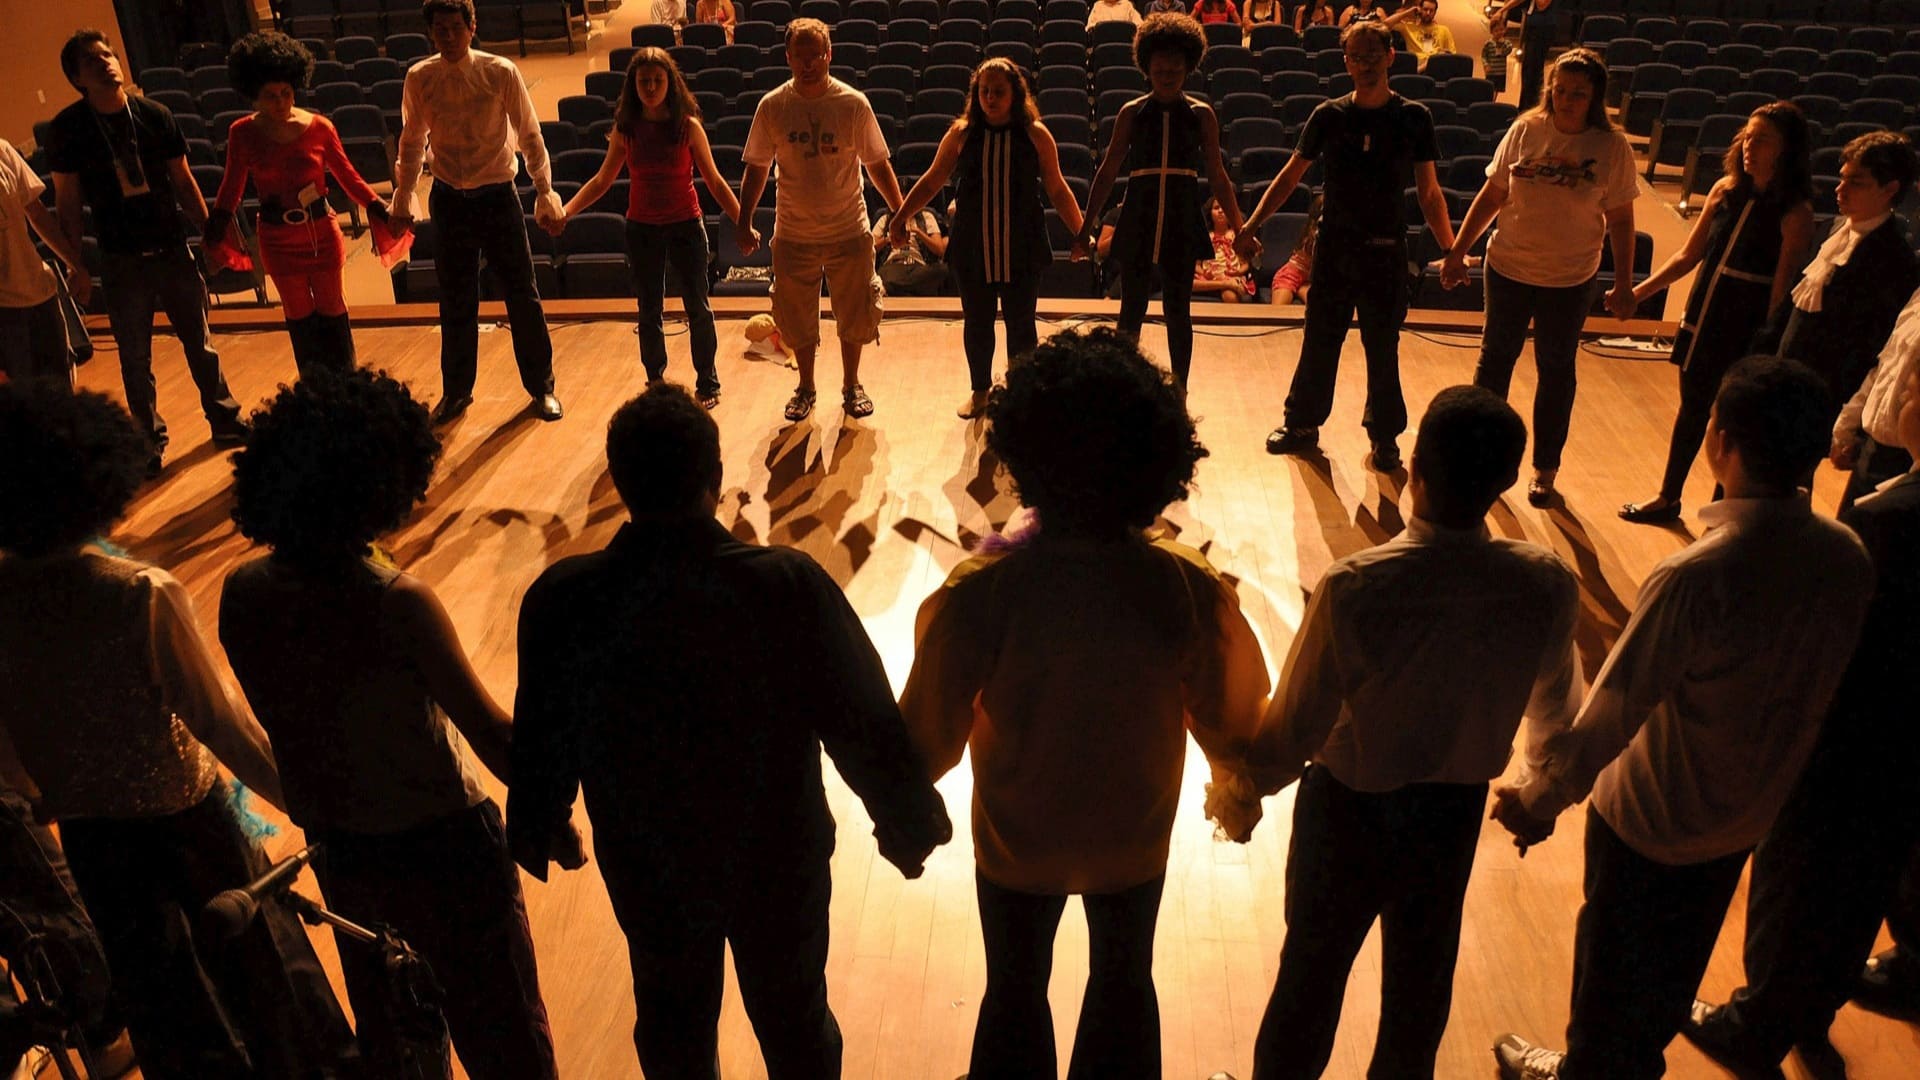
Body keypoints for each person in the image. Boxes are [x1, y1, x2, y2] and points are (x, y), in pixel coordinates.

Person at [508, 382, 951, 1074]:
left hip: (648, 857)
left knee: (671, 1021)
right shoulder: (786, 584)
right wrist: (906, 820)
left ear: (618, 481)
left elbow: (545, 727)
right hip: (778, 853)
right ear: (715, 478)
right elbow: (861, 719)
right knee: (795, 1016)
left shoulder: (563, 599)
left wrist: (542, 818)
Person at [1487, 357, 1875, 1080]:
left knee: (1610, 979)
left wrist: (1538, 800)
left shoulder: (1698, 575)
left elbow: (1614, 710)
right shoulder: (1846, 556)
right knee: (1675, 963)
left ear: (1720, 441)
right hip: (1746, 815)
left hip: (1651, 820)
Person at [899, 327, 1269, 1079]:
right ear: (1158, 461)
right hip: (1132, 838)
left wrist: (901, 809)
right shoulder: (1185, 584)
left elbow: (925, 741)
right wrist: (1237, 784)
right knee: (1125, 983)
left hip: (1017, 842)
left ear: (1025, 457)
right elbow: (1234, 724)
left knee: (1013, 989)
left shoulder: (983, 591)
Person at [1213, 385, 1580, 1080]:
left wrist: (1246, 790)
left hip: (1346, 812)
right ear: (1506, 480)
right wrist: (1540, 795)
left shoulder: (1357, 584)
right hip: (1452, 812)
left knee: (1311, 975)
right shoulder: (1544, 582)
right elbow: (1557, 707)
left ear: (1413, 470)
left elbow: (1298, 723)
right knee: (1420, 987)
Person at [219, 369, 573, 1079]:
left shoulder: (243, 593)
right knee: (504, 1033)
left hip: (344, 850)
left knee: (397, 1039)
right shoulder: (397, 601)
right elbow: (492, 736)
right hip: (446, 848)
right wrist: (554, 809)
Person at [0, 380, 359, 1079]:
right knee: (268, 972)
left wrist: (45, 791)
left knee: (161, 996)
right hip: (192, 822)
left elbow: (10, 739)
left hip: (92, 836)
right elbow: (220, 724)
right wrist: (306, 803)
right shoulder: (139, 594)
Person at [1680, 362, 1920, 1080]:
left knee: (1797, 876)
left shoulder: (1888, 520)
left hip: (1851, 735)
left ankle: (1755, 1026)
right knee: (1869, 878)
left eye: (1914, 387)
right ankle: (1813, 1010)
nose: (1902, 393)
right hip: (1906, 746)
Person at [1237, 20, 1455, 471]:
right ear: (1346, 62)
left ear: (1390, 56)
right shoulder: (1329, 115)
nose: (1365, 64)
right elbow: (1290, 177)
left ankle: (1385, 437)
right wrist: (1251, 224)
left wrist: (1451, 249)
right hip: (1335, 248)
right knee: (1319, 339)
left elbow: (1430, 192)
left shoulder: (1414, 117)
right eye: (1357, 57)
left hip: (1386, 249)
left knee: (1383, 346)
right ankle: (1302, 424)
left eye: (1373, 55)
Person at [47, 29, 248, 476]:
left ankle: (225, 419)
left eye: (108, 54)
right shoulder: (68, 129)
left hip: (172, 249)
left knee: (200, 343)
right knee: (135, 358)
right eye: (92, 60)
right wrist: (75, 265)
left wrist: (212, 237)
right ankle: (147, 442)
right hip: (121, 260)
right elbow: (67, 203)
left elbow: (183, 181)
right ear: (77, 78)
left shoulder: (155, 115)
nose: (106, 63)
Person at [1441, 47, 1637, 507]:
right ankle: (1481, 461)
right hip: (1508, 267)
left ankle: (1545, 469)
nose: (1566, 100)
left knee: (1556, 370)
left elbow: (1621, 220)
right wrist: (1457, 251)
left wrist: (1625, 283)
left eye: (1578, 94)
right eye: (1560, 90)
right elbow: (1492, 195)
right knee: (1494, 362)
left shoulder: (1611, 148)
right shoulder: (1526, 129)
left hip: (1569, 279)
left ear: (1595, 97)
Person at [1619, 102, 1814, 524]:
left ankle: (1725, 511)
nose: (1749, 147)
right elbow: (1688, 256)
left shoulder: (1796, 212)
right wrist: (1637, 293)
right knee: (1692, 410)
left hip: (1746, 329)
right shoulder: (1724, 190)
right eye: (1747, 137)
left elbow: (1781, 290)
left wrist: (1768, 347)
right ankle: (1668, 497)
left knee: (1735, 421)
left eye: (1762, 140)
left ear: (1787, 149)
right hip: (1704, 317)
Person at [390, 0, 563, 426]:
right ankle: (456, 391)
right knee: (455, 299)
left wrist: (544, 190)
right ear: (431, 32)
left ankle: (542, 387)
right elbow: (412, 141)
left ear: (472, 27)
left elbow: (529, 133)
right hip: (449, 198)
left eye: (455, 27)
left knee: (522, 294)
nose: (448, 36)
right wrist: (404, 195)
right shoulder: (420, 76)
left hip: (497, 195)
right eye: (440, 29)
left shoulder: (500, 71)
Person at [893, 57, 1086, 418]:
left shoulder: (1036, 134)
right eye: (984, 91)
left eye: (999, 91)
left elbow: (1058, 188)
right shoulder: (961, 133)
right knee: (977, 322)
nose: (991, 98)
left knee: (1021, 324)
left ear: (1016, 94)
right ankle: (980, 391)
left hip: (1021, 245)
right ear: (975, 94)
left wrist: (1082, 232)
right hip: (973, 246)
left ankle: (1021, 394)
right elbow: (933, 179)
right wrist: (901, 216)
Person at [736, 18, 906, 422]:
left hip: (848, 228)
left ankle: (851, 384)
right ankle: (806, 386)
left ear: (829, 55)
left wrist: (899, 214)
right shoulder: (773, 106)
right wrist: (744, 220)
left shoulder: (853, 104)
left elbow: (877, 164)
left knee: (856, 313)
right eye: (801, 56)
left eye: (816, 55)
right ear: (788, 57)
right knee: (796, 319)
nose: (809, 63)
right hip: (793, 232)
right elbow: (757, 168)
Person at [555, 47, 739, 409]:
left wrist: (743, 223)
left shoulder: (688, 126)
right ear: (633, 85)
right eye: (644, 81)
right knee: (649, 309)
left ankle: (708, 381)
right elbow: (602, 180)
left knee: (698, 306)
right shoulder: (626, 129)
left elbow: (715, 181)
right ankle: (655, 380)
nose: (651, 87)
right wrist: (567, 211)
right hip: (642, 228)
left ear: (670, 83)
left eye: (657, 80)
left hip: (686, 224)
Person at [211, 32, 392, 378]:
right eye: (270, 96)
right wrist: (216, 225)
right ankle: (313, 391)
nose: (281, 102)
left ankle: (346, 387)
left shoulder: (320, 127)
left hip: (321, 233)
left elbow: (349, 177)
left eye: (286, 93)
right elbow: (232, 187)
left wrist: (380, 209)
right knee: (298, 316)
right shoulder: (242, 133)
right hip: (277, 238)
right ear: (254, 95)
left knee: (332, 309)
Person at [1077, 14, 1243, 389]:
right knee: (1131, 308)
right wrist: (1086, 227)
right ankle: (1122, 386)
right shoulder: (1131, 112)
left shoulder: (1201, 114)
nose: (1167, 76)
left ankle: (1179, 388)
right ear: (1146, 68)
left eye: (1175, 70)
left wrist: (1240, 227)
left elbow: (1218, 175)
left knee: (1178, 311)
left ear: (1188, 68)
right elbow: (1107, 171)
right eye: (1160, 70)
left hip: (1182, 216)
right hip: (1140, 213)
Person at [1752, 131, 1920, 413]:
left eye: (1856, 183)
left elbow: (1867, 348)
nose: (1840, 190)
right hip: (1780, 383)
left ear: (1890, 189)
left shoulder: (1896, 261)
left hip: (1821, 401)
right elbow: (1791, 305)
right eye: (1842, 178)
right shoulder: (1830, 228)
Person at [0, 137, 85, 387]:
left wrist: (75, 264)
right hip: (5, 311)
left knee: (60, 392)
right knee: (19, 400)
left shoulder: (3, 150)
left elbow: (36, 213)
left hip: (41, 294)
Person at [1833, 285, 1920, 513]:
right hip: (1873, 451)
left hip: (1907, 461)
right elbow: (1882, 369)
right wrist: (1845, 428)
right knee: (1852, 525)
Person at [1495, 0, 1566, 110]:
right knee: (1527, 69)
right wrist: (1502, 10)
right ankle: (1523, 106)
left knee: (1534, 71)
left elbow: (1542, 5)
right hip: (1532, 26)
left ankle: (1531, 107)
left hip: (1543, 28)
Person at [872, 206, 948, 296]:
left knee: (942, 269)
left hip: (918, 268)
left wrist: (918, 232)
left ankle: (893, 288)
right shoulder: (885, 218)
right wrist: (889, 238)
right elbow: (871, 248)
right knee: (884, 274)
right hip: (893, 266)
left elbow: (939, 250)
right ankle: (912, 290)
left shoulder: (927, 216)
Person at [1194, 196, 1256, 302]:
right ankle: (1223, 284)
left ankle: (1227, 285)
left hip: (1231, 277)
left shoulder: (1237, 236)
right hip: (1208, 279)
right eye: (1216, 208)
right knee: (1187, 284)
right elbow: (1197, 265)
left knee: (1230, 296)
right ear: (1210, 213)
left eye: (1224, 208)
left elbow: (1245, 264)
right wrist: (1204, 273)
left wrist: (1237, 272)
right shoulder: (1205, 236)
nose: (1220, 211)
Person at [1268, 194, 1319, 306]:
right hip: (1290, 276)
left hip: (1310, 281)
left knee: (1317, 308)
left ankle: (1301, 289)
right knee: (1278, 311)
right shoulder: (1313, 234)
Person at [1384, 0, 1457, 70]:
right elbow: (1386, 24)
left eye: (1431, 11)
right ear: (1420, 9)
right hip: (1417, 64)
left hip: (1437, 67)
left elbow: (1452, 55)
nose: (1428, 13)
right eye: (1425, 9)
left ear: (1435, 12)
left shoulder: (1444, 30)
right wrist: (1407, 13)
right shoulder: (1409, 27)